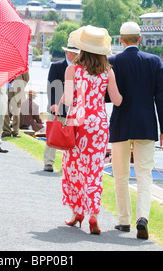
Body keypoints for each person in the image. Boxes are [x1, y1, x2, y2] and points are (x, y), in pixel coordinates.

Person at [108, 22, 163, 240]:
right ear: (140, 39)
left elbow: (108, 96)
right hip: (146, 125)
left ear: (122, 40)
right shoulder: (154, 61)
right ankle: (142, 218)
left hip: (121, 124)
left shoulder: (113, 62)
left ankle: (124, 220)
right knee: (144, 175)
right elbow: (160, 96)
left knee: (120, 176)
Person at [61, 25, 122, 235]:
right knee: (94, 170)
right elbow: (116, 100)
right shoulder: (108, 71)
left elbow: (68, 100)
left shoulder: (73, 69)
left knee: (74, 168)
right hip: (97, 124)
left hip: (77, 123)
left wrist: (59, 102)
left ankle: (77, 212)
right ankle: (93, 213)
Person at [43, 40, 80, 172]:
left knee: (71, 138)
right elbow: (51, 86)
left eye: (77, 53)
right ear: (67, 52)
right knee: (53, 135)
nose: (76, 55)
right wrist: (52, 103)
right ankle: (48, 162)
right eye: (73, 53)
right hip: (57, 106)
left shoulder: (80, 69)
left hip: (74, 108)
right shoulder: (57, 66)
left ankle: (70, 165)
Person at [2, 71, 29, 138]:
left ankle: (15, 131)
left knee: (16, 113)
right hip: (6, 90)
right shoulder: (5, 63)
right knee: (5, 112)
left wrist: (21, 86)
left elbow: (26, 78)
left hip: (18, 91)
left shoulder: (22, 65)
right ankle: (6, 131)